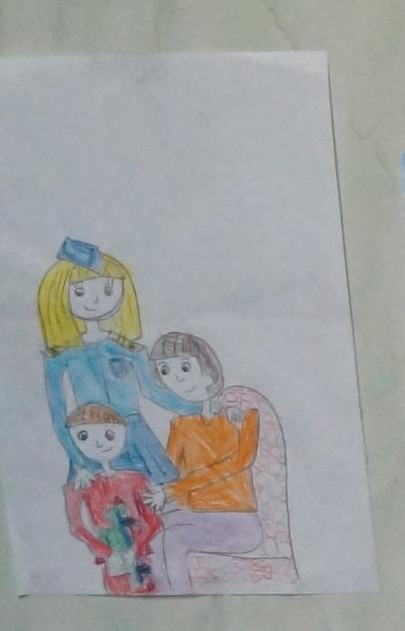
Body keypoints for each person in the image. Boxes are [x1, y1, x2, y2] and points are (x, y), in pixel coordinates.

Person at [37, 239, 193, 483]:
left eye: (107, 291)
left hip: (138, 441)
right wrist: (78, 462)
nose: (95, 301)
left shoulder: (129, 350)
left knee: (157, 499)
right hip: (93, 443)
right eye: (80, 292)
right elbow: (59, 416)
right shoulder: (60, 358)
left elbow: (154, 392)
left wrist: (200, 408)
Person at [144, 331, 271, 570]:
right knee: (149, 533)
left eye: (184, 367)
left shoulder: (242, 416)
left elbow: (238, 462)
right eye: (165, 371)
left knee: (174, 540)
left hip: (238, 520)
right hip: (196, 515)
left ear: (208, 371)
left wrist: (170, 491)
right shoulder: (181, 425)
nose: (176, 379)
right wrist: (157, 497)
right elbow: (171, 473)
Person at [60, 403, 163, 595]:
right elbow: (76, 527)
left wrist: (136, 548)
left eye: (109, 435)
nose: (99, 444)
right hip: (112, 561)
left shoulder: (136, 479)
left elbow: (154, 521)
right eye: (84, 436)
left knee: (151, 591)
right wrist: (107, 553)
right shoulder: (78, 486)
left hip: (141, 557)